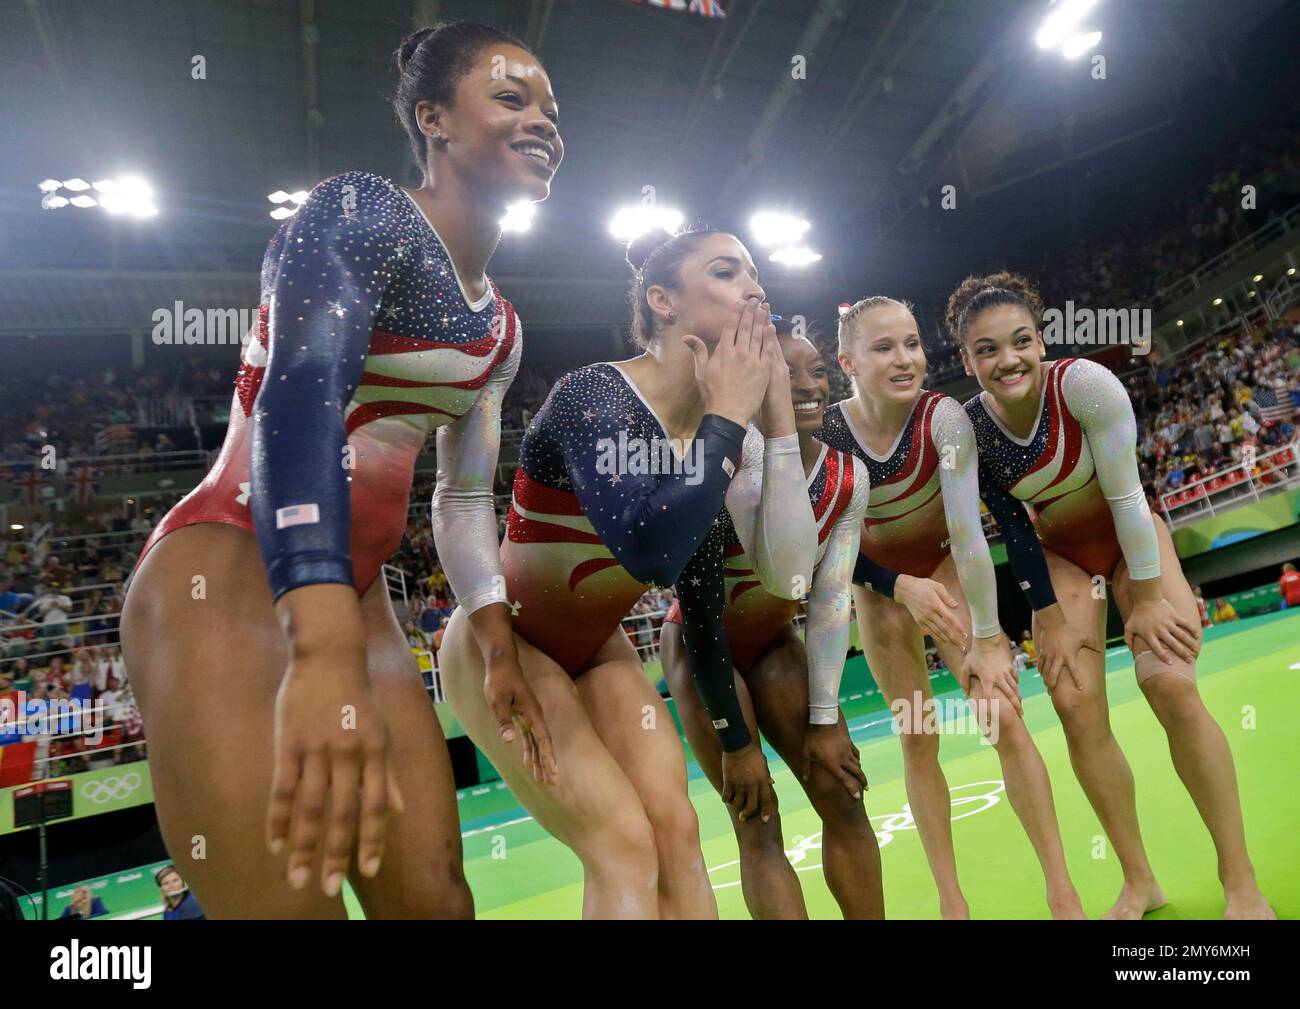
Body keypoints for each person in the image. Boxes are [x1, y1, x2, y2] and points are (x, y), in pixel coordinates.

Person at [119, 21, 564, 918]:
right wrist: (316, 650)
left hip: (359, 606)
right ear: (432, 119)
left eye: (552, 109)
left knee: (438, 904)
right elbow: (303, 395)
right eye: (511, 99)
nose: (543, 122)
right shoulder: (361, 209)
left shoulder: (502, 330)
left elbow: (466, 493)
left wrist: (494, 634)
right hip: (231, 573)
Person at [440, 228, 805, 918]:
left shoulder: (716, 438)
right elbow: (651, 549)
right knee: (623, 844)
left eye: (757, 273)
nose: (755, 288)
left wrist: (775, 417)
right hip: (506, 643)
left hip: (597, 650)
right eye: (727, 272)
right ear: (661, 300)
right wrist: (729, 417)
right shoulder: (595, 395)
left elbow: (746, 587)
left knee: (677, 833)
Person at [946, 270, 1273, 919]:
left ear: (1040, 340)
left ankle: (1241, 881)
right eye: (987, 349)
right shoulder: (967, 429)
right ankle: (1138, 878)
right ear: (967, 359)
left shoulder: (1085, 387)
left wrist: (1147, 598)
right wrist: (1041, 614)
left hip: (1133, 544)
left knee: (1171, 684)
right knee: (1073, 701)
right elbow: (1009, 525)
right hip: (1063, 558)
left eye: (1020, 341)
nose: (1007, 359)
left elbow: (1128, 494)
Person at [818, 295, 1082, 919]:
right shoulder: (827, 433)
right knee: (918, 736)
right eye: (885, 348)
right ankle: (952, 903)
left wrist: (989, 638)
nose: (907, 359)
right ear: (847, 359)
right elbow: (821, 552)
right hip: (878, 588)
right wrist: (891, 585)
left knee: (1004, 717)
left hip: (944, 567)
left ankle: (1063, 894)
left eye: (912, 343)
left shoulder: (943, 419)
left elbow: (968, 534)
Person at [659, 321, 881, 919]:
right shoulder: (717, 465)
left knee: (843, 793)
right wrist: (736, 740)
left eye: (817, 371)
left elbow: (833, 600)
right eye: (787, 373)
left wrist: (827, 718)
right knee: (757, 819)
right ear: (754, 382)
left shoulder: (848, 475)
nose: (809, 385)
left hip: (774, 641)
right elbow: (701, 612)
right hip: (704, 653)